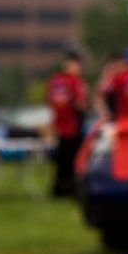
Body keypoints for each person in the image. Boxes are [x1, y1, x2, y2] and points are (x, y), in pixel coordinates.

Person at [45, 50, 88, 197]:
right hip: (73, 126)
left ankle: (58, 189)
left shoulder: (55, 81)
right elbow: (80, 103)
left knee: (60, 161)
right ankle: (71, 190)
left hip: (59, 127)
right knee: (73, 161)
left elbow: (51, 102)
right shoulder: (75, 81)